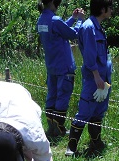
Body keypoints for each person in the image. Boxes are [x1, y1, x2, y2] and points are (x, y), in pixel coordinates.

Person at [66, 0, 113, 157]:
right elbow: (89, 56)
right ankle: (71, 147)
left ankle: (96, 142)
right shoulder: (89, 27)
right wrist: (97, 76)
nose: (112, 9)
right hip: (95, 78)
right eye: (110, 7)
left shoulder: (98, 27)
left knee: (98, 111)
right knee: (85, 110)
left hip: (103, 77)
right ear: (103, 9)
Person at [37, 0, 85, 142]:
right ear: (53, 2)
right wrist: (80, 20)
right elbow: (74, 34)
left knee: (52, 95)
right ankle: (59, 129)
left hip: (51, 66)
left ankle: (52, 127)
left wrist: (72, 18)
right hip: (64, 66)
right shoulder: (55, 20)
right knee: (63, 96)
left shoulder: (41, 20)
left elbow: (59, 29)